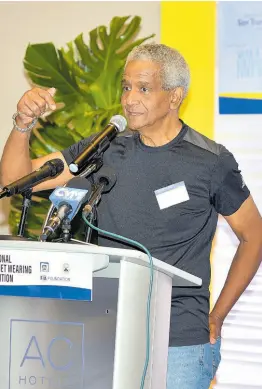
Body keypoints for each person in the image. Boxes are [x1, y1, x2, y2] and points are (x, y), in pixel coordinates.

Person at [1, 44, 262, 389]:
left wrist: (217, 314)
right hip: (107, 330)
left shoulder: (210, 161)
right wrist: (23, 124)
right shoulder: (104, 149)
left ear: (175, 96)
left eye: (143, 88)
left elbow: (253, 235)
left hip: (179, 343)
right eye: (126, 87)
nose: (130, 99)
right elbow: (17, 181)